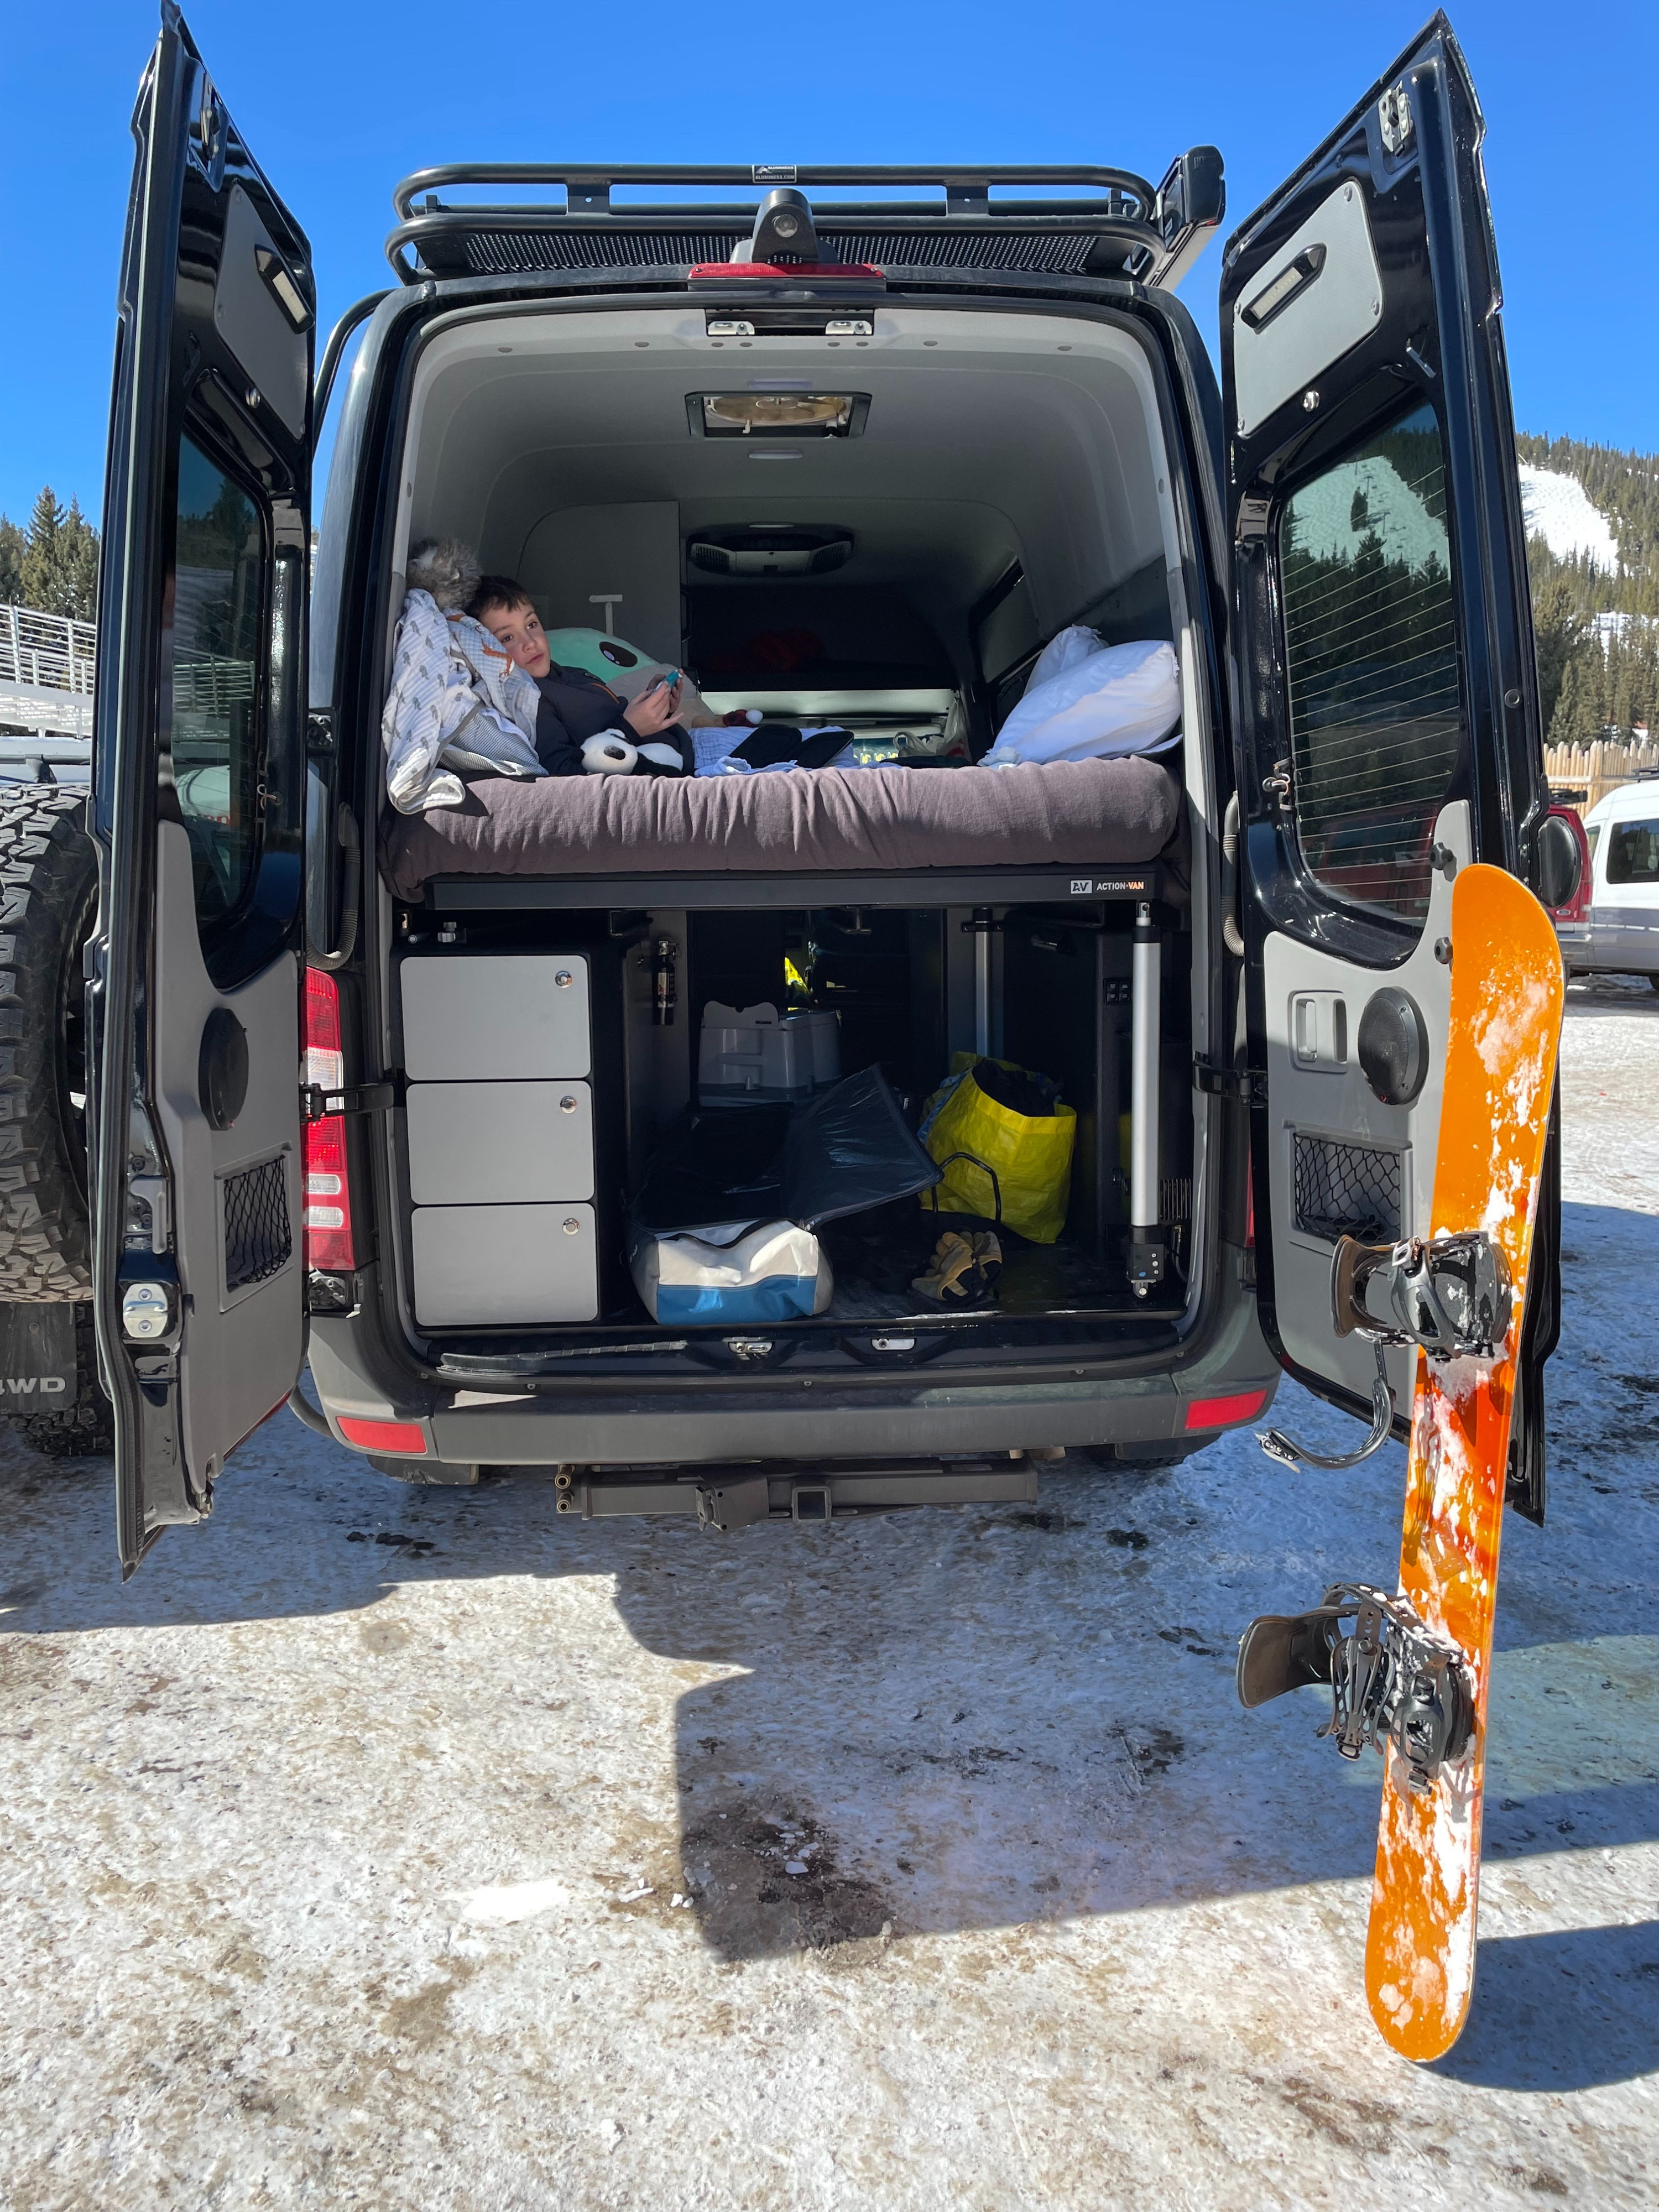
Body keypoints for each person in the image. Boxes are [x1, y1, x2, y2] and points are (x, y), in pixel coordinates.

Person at [468, 576, 690, 778]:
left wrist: (657, 706)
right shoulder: (531, 703)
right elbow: (565, 776)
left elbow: (609, 716)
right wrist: (630, 730)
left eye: (532, 625)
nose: (531, 643)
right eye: (508, 638)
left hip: (679, 747)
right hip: (667, 772)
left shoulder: (568, 673)